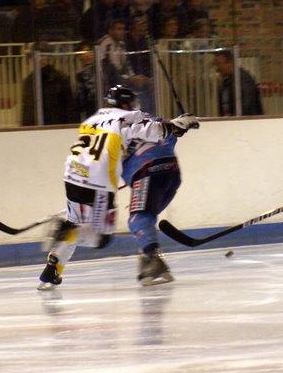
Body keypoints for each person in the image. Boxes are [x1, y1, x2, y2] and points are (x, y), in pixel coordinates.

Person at [37, 85, 199, 290]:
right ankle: (64, 231)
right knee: (100, 238)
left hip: (73, 173)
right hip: (99, 181)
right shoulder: (129, 117)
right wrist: (177, 124)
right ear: (126, 104)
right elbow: (154, 130)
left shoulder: (92, 119)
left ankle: (53, 269)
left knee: (74, 222)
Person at [121, 132, 183, 286]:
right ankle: (151, 259)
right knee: (147, 218)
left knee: (138, 218)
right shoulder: (148, 121)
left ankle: (153, 260)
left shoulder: (111, 129)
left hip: (146, 171)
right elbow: (172, 134)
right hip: (172, 173)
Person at [214, 49, 263, 116]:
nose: (217, 68)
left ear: (229, 63)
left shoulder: (243, 79)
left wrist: (236, 121)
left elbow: (246, 106)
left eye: (219, 63)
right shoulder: (227, 81)